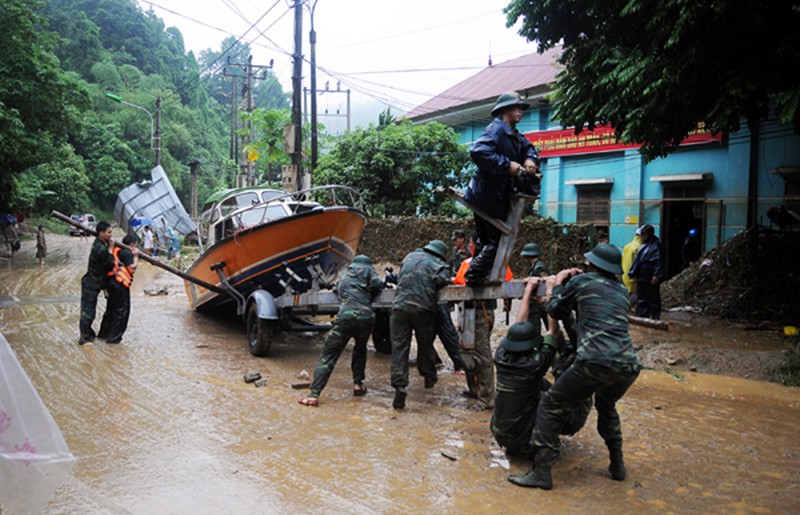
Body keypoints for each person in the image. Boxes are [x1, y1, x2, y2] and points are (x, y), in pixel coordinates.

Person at [509, 243, 642, 490]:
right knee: (607, 406)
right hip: (628, 365)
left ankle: (541, 473)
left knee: (550, 406)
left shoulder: (582, 283)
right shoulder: (621, 290)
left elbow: (556, 310)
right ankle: (617, 465)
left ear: (591, 265)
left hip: (595, 361)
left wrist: (557, 282)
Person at [491, 277, 590, 459]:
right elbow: (553, 331)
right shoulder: (535, 363)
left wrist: (529, 291)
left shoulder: (501, 355)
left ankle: (522, 438)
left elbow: (518, 325)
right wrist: (550, 296)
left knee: (542, 386)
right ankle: (538, 446)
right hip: (522, 442)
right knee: (562, 402)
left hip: (501, 433)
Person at [463, 91, 541, 285]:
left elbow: (529, 148)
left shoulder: (514, 134)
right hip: (486, 195)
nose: (521, 112)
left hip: (496, 196)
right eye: (517, 108)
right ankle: (474, 275)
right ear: (506, 110)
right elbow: (478, 152)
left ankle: (479, 276)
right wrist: (507, 165)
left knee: (487, 240)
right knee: (497, 240)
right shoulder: (496, 129)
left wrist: (530, 159)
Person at [299, 255, 384, 407]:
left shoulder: (344, 277)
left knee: (328, 355)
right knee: (360, 349)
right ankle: (358, 385)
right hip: (366, 318)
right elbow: (378, 284)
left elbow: (335, 289)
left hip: (345, 318)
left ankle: (313, 395)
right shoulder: (369, 273)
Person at [390, 240, 451, 410]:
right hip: (423, 309)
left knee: (399, 348)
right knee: (425, 343)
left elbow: (399, 276)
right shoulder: (440, 264)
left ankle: (400, 386)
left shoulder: (409, 257)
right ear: (441, 255)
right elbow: (442, 281)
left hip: (399, 308)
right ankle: (429, 375)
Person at [78, 221, 115, 345]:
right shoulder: (100, 248)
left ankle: (89, 335)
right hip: (92, 283)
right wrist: (111, 248)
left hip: (96, 283)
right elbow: (110, 264)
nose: (111, 235)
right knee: (88, 312)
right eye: (109, 232)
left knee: (89, 310)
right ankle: (85, 337)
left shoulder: (101, 243)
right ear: (101, 233)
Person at [98, 234, 139, 344]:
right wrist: (136, 257)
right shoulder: (126, 252)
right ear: (132, 244)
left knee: (111, 310)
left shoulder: (116, 250)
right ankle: (114, 339)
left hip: (111, 284)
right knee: (121, 312)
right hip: (120, 285)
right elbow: (131, 269)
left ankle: (103, 335)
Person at [628, 224, 665, 319]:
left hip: (650, 275)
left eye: (643, 235)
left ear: (649, 234)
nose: (641, 237)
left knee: (652, 297)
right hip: (642, 275)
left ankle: (655, 317)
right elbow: (638, 260)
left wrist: (656, 275)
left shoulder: (656, 245)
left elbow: (659, 261)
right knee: (642, 297)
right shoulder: (644, 245)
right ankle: (643, 315)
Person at [621, 229, 643, 303]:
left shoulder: (627, 246)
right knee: (634, 295)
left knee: (626, 293)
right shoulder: (640, 247)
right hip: (634, 275)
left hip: (625, 274)